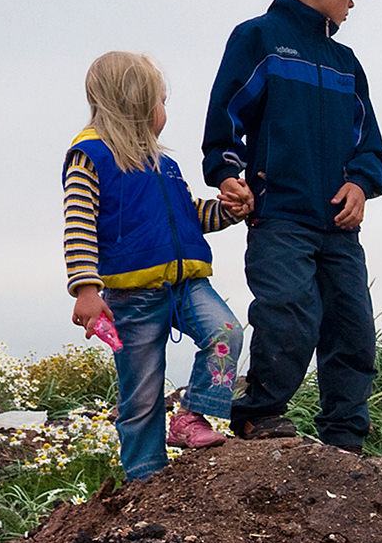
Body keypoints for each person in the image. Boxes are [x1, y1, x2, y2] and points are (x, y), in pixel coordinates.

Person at [202, 0, 382, 451]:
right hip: (279, 216)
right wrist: (227, 174)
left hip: (338, 227)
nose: (352, 2)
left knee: (352, 328)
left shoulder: (347, 63)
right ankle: (258, 415)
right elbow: (226, 121)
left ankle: (346, 437)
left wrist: (360, 183)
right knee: (288, 313)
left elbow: (370, 146)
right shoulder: (257, 38)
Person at [63, 51, 245, 482]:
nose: (165, 111)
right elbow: (78, 225)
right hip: (131, 295)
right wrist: (86, 290)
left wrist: (229, 210)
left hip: (188, 284)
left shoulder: (167, 165)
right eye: (161, 101)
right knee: (141, 395)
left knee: (227, 332)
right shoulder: (90, 156)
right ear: (138, 103)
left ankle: (193, 415)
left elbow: (190, 215)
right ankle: (145, 479)